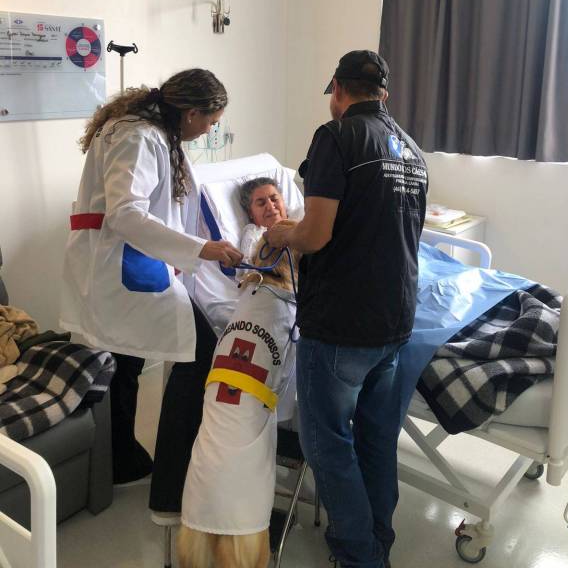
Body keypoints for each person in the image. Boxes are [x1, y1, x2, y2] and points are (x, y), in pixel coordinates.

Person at [266, 50, 428, 568]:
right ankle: (378, 541)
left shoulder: (335, 137)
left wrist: (282, 234)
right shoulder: (412, 150)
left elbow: (316, 235)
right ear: (384, 93)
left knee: (326, 442)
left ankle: (359, 555)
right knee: (377, 440)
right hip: (396, 317)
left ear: (337, 89)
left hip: (342, 323)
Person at [61, 69, 243, 488]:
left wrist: (197, 243)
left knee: (125, 363)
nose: (210, 130)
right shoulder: (138, 135)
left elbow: (163, 208)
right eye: (212, 121)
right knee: (191, 351)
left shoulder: (150, 132)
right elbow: (126, 214)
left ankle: (119, 459)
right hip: (118, 265)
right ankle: (167, 467)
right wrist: (201, 249)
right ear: (192, 113)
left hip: (131, 262)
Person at [238, 177, 288, 262]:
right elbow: (250, 269)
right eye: (261, 203)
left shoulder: (304, 217)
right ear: (250, 213)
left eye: (274, 199)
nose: (270, 206)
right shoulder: (253, 239)